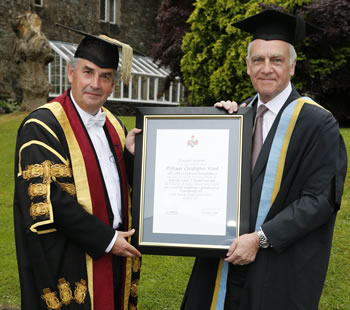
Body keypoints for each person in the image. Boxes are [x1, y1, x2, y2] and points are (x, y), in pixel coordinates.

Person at [181, 9, 347, 310]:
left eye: (277, 60)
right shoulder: (236, 117)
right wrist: (213, 128)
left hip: (277, 266)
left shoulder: (318, 123)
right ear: (247, 66)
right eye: (258, 59)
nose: (266, 68)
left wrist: (260, 238)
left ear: (292, 66)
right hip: (223, 262)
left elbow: (320, 200)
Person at [13, 25, 142, 310]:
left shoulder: (115, 126)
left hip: (116, 250)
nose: (95, 83)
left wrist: (133, 155)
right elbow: (49, 198)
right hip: (71, 258)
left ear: (113, 85)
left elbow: (120, 185)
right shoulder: (43, 125)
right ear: (71, 73)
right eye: (88, 72)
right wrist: (107, 239)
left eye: (105, 76)